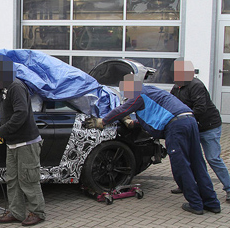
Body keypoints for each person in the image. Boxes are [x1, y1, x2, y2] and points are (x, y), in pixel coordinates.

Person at [85, 74, 221, 215]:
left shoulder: (138, 95)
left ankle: (196, 204)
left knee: (182, 167)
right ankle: (212, 203)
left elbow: (121, 110)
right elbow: (156, 115)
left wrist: (103, 121)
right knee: (197, 163)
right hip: (190, 121)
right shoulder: (153, 91)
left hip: (176, 127)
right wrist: (134, 123)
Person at [0, 54, 46, 226]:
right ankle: (16, 212)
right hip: (12, 143)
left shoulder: (16, 87)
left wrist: (1, 131)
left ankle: (38, 212)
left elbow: (21, 114)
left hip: (27, 142)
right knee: (12, 179)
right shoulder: (2, 89)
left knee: (28, 178)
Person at [169, 58, 230, 202]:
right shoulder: (177, 87)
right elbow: (171, 103)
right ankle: (187, 185)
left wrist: (183, 119)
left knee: (213, 158)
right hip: (192, 127)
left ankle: (229, 187)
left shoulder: (196, 85)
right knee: (188, 158)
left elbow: (200, 108)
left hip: (209, 126)